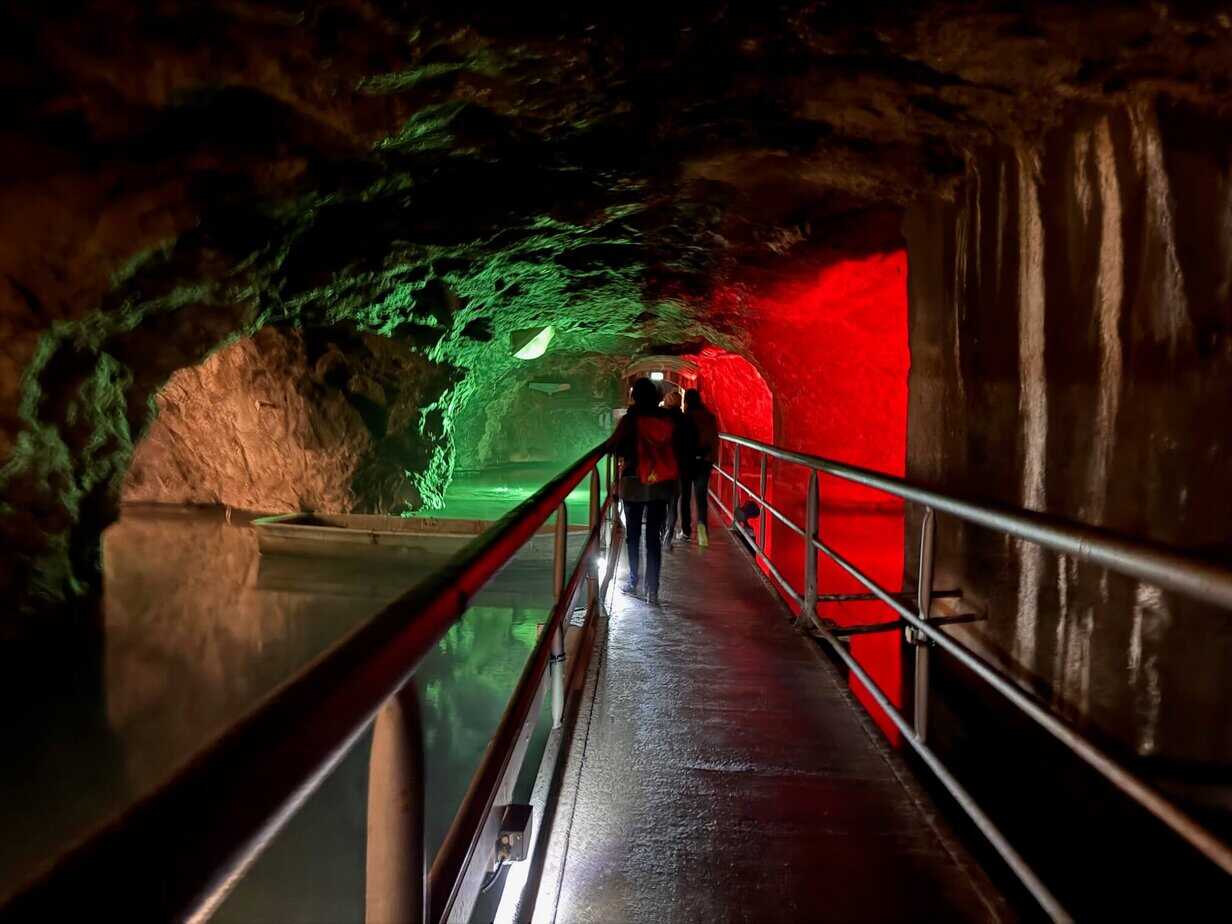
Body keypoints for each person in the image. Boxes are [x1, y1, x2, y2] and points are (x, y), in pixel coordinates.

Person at [608, 378, 684, 605]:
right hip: (660, 484)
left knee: (634, 536)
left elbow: (615, 446)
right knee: (653, 537)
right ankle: (653, 589)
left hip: (633, 484)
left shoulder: (629, 420)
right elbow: (677, 448)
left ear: (635, 396)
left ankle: (633, 581)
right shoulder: (666, 419)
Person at [681, 387, 718, 548]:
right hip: (704, 460)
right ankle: (702, 528)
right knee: (701, 496)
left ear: (686, 401)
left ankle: (686, 530)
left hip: (687, 460)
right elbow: (714, 439)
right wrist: (712, 459)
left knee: (686, 495)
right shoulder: (710, 417)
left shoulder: (686, 417)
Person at [659, 387, 686, 550]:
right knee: (673, 502)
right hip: (679, 466)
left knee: (660, 501)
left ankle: (661, 532)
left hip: (662, 465)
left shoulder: (661, 418)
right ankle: (668, 538)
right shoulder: (685, 420)